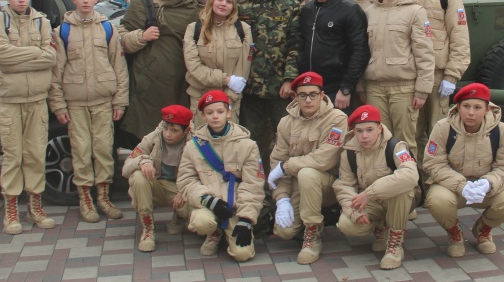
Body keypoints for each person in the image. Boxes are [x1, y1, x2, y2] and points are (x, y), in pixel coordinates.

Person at [49, 0, 128, 223]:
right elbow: (56, 71)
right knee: (81, 151)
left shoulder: (107, 29)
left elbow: (119, 66)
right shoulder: (62, 32)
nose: (85, 1)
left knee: (104, 150)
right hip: (76, 103)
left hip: (103, 101)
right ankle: (86, 199)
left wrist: (120, 101)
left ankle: (104, 197)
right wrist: (58, 104)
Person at [0, 0, 57, 235]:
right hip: (12, 101)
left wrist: (20, 58)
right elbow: (2, 56)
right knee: (13, 156)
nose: (21, 0)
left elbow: (50, 57)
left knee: (36, 154)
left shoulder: (42, 21)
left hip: (37, 100)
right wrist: (35, 53)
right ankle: (11, 211)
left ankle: (35, 208)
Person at [423, 83, 504, 258]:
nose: (470, 113)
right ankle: (454, 233)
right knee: (437, 200)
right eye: (466, 106)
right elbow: (433, 163)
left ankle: (483, 229)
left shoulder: (501, 130)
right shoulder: (443, 127)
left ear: (487, 109)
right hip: (453, 187)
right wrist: (461, 185)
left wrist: (488, 183)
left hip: (486, 188)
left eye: (477, 107)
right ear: (458, 107)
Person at [356, 0, 435, 167]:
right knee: (378, 141)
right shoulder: (369, 12)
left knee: (405, 142)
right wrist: (361, 84)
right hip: (374, 87)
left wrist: (422, 90)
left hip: (403, 87)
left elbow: (424, 53)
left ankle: (410, 183)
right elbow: (363, 52)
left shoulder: (415, 12)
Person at [267, 72, 348, 265]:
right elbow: (278, 160)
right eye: (303, 95)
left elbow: (324, 159)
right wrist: (282, 198)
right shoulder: (286, 123)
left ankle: (312, 234)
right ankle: (303, 221)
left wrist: (287, 166)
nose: (308, 100)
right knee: (284, 232)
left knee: (307, 173)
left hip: (328, 184)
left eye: (313, 94)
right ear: (295, 97)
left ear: (322, 95)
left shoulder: (337, 119)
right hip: (298, 184)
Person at [177, 90, 265, 262]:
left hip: (235, 207)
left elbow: (253, 184)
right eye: (209, 113)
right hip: (209, 204)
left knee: (242, 254)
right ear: (203, 116)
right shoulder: (193, 146)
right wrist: (207, 200)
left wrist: (246, 219)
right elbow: (186, 180)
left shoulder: (247, 145)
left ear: (228, 113)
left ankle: (228, 231)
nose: (215, 116)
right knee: (201, 222)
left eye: (220, 111)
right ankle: (214, 232)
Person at [118, 0, 197, 146]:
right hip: (144, 87)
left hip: (176, 85)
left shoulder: (189, 8)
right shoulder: (139, 4)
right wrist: (141, 37)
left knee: (174, 136)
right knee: (144, 139)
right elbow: (121, 40)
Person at [408, 0, 471, 170]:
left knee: (439, 131)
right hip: (410, 74)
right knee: (413, 132)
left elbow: (459, 38)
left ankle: (439, 176)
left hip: (437, 75)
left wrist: (452, 76)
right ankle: (419, 178)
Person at [334, 105, 419, 270]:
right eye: (359, 131)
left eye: (370, 130)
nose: (364, 136)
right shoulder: (349, 152)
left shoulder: (395, 146)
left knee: (402, 188)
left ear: (379, 129)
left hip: (395, 201)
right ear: (353, 131)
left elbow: (410, 175)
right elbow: (344, 185)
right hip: (370, 203)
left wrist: (370, 193)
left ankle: (395, 244)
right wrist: (354, 212)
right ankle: (380, 226)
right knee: (346, 224)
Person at [237, 0, 301, 174]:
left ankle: (283, 183)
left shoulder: (289, 3)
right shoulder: (239, 2)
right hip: (249, 86)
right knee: (252, 140)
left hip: (279, 86)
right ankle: (256, 185)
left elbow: (295, 44)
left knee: (285, 138)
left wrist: (289, 79)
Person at [298, 0, 370, 112]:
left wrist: (346, 88)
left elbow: (360, 51)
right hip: (309, 88)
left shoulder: (350, 9)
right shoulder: (307, 10)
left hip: (336, 89)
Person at [122, 105, 193, 252]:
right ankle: (148, 229)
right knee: (138, 177)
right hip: (157, 186)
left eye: (174, 130)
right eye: (166, 128)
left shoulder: (195, 142)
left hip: (180, 190)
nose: (167, 134)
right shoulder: (153, 138)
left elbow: (203, 174)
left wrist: (185, 190)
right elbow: (126, 168)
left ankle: (179, 216)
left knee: (198, 217)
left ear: (186, 130)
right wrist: (142, 161)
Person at [183, 0, 253, 125]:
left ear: (233, 6)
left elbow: (243, 67)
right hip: (201, 99)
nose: (223, 4)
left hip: (229, 100)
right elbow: (193, 66)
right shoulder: (194, 29)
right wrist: (225, 80)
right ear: (211, 1)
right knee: (202, 138)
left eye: (229, 1)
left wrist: (228, 98)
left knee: (229, 137)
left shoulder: (243, 30)